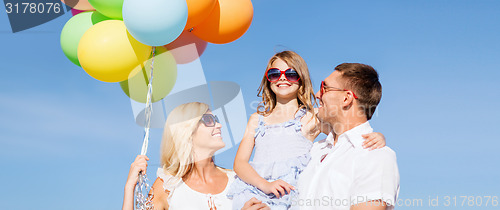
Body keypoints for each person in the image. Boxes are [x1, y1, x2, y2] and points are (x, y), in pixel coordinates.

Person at [227, 51, 387, 210]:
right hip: (257, 189)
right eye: (275, 73)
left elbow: (346, 132)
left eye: (290, 74)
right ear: (268, 80)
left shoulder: (313, 116)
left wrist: (376, 136)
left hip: (290, 194)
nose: (282, 77)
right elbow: (240, 163)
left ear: (301, 79)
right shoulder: (257, 119)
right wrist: (266, 185)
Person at [122, 102, 271, 210]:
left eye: (216, 120)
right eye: (209, 120)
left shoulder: (238, 180)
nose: (219, 125)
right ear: (187, 131)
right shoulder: (167, 186)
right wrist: (129, 187)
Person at [296, 63, 400, 209]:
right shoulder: (314, 150)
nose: (317, 94)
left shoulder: (376, 156)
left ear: (346, 98)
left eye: (324, 87)